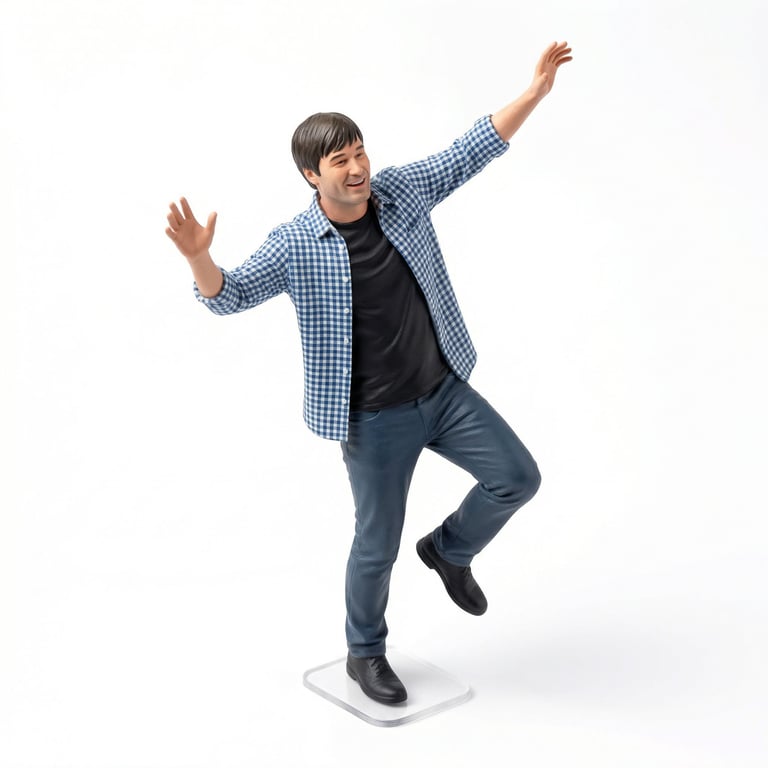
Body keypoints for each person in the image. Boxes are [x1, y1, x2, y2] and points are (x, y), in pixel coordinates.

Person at [166, 41, 572, 706]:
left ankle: (450, 550)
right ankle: (364, 654)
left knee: (517, 477)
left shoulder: (401, 193)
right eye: (340, 160)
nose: (357, 168)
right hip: (375, 420)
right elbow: (228, 296)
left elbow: (468, 151)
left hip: (443, 391)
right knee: (376, 543)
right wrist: (198, 260)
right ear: (311, 175)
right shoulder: (295, 244)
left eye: (360, 153)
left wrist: (533, 93)